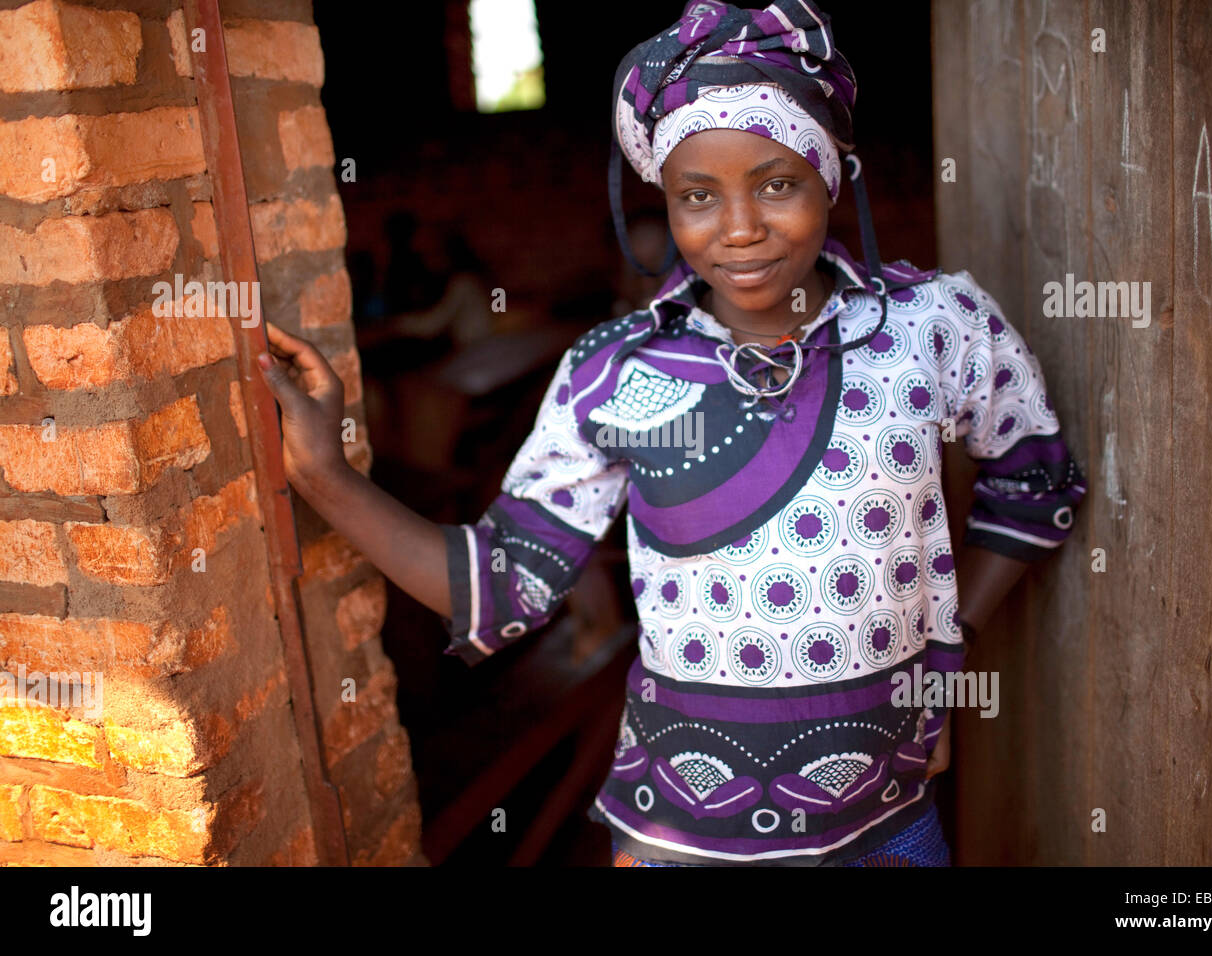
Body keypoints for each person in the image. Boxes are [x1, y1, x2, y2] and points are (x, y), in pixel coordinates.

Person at [256, 0, 1087, 866]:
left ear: (833, 174)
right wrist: (325, 477)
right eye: (698, 197)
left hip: (888, 824)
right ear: (666, 203)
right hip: (682, 839)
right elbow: (500, 584)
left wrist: (945, 657)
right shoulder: (615, 371)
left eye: (776, 183)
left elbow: (1037, 486)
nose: (738, 229)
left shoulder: (932, 326)